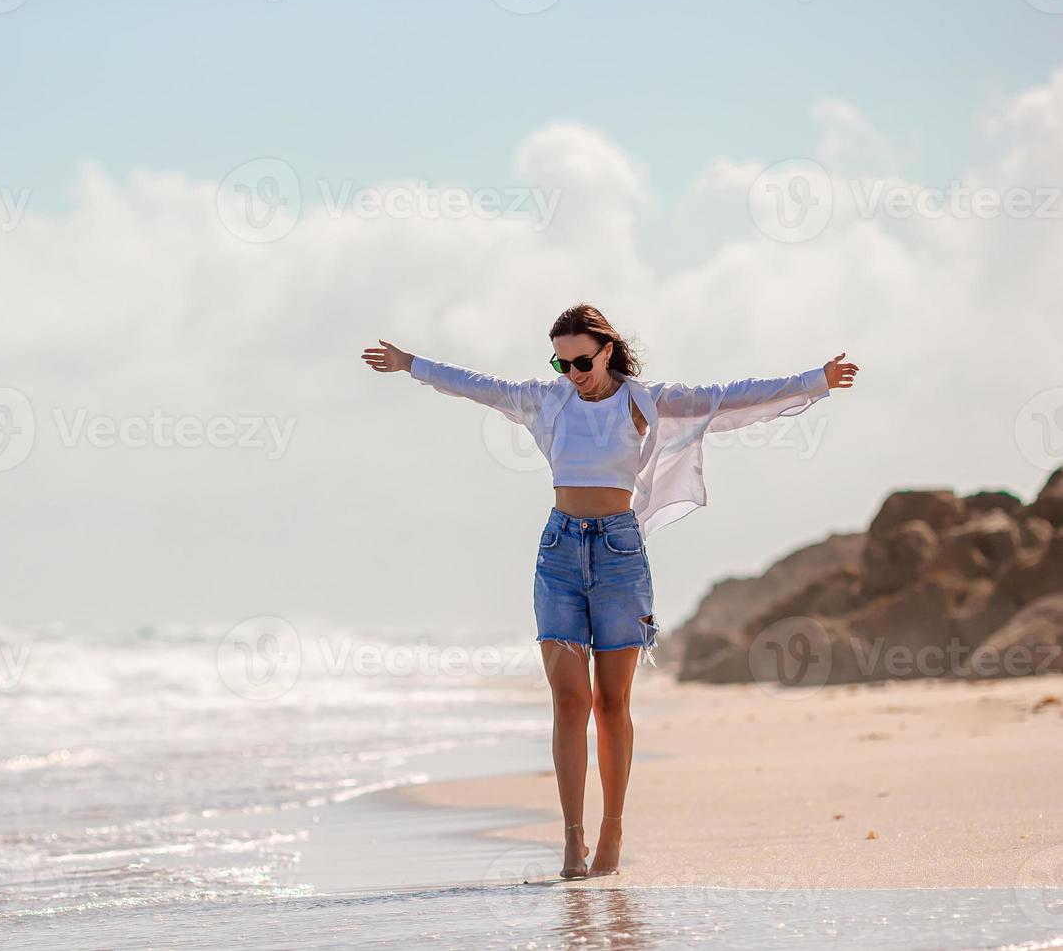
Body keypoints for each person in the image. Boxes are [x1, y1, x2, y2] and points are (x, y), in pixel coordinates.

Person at [361, 303, 859, 878]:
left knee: (610, 702)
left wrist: (814, 382)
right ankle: (572, 841)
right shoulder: (547, 400)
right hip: (559, 554)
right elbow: (475, 385)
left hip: (620, 555)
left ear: (607, 350)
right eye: (560, 362)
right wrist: (409, 363)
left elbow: (730, 398)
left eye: (580, 360)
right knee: (568, 701)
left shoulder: (645, 402)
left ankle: (611, 832)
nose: (571, 372)